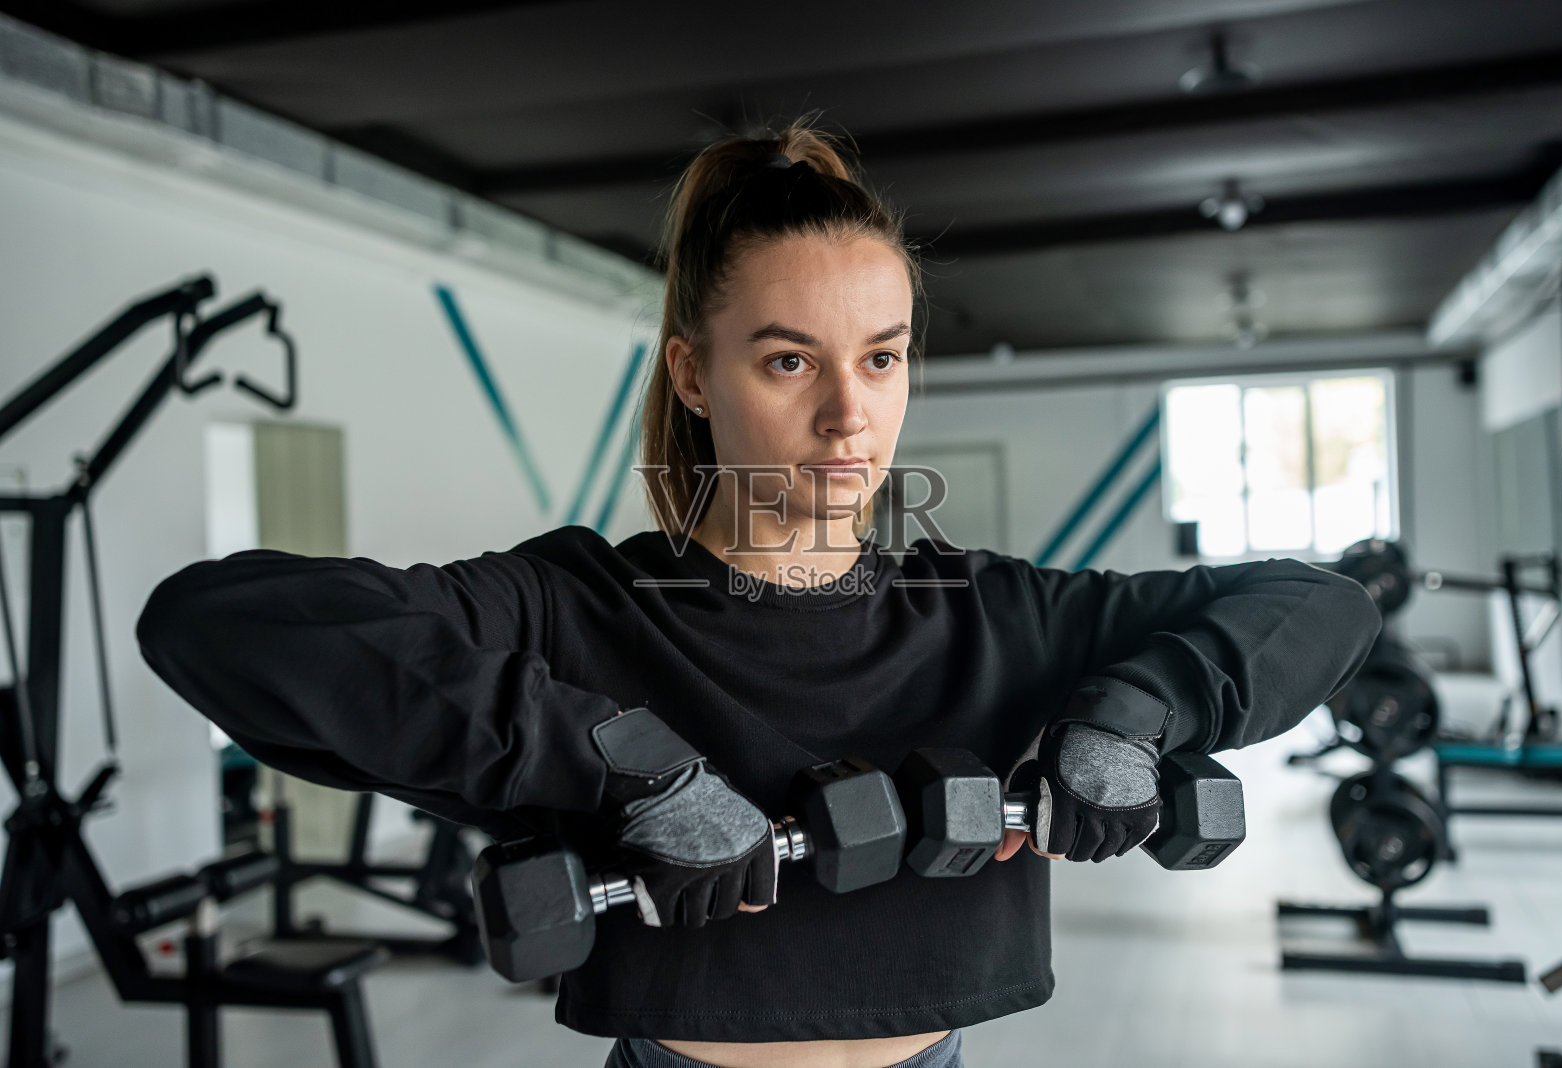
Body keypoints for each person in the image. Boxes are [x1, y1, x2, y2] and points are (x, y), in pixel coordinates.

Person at [135, 116, 1383, 1068]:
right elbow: (213, 623)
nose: (849, 415)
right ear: (693, 373)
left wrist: (1135, 716)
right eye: (790, 361)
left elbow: (1315, 601)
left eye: (881, 359)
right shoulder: (576, 609)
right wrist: (616, 765)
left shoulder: (998, 615)